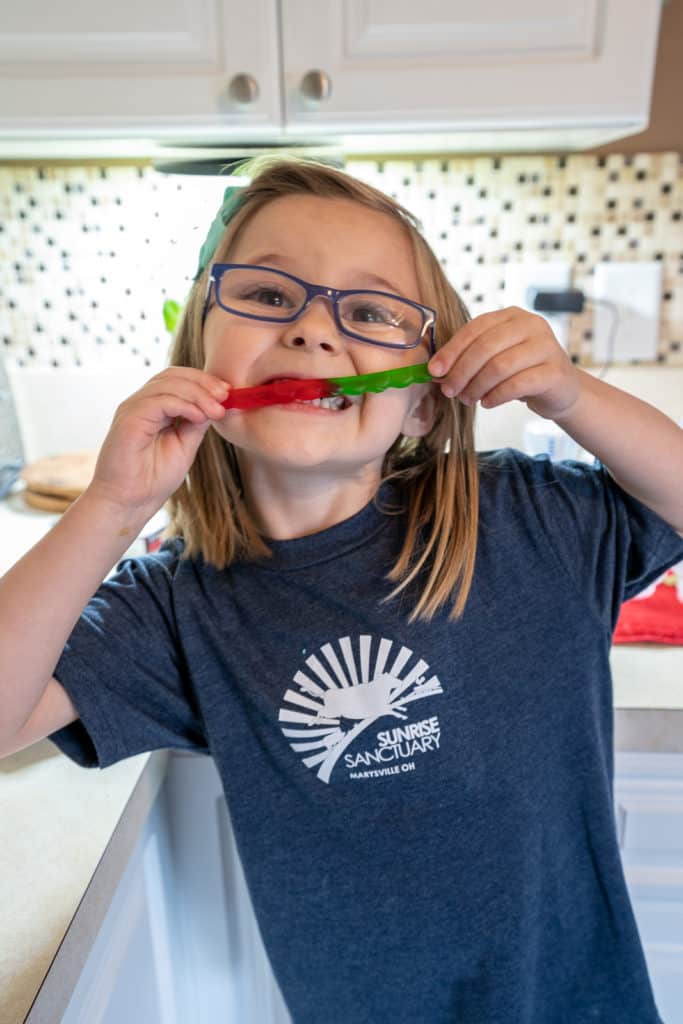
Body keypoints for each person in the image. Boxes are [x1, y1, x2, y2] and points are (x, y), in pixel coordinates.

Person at [1, 156, 682, 1024]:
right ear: (200, 350)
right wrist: (112, 502)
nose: (314, 333)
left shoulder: (524, 517)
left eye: (367, 311)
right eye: (269, 295)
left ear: (424, 404)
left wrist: (570, 394)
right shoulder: (175, 606)